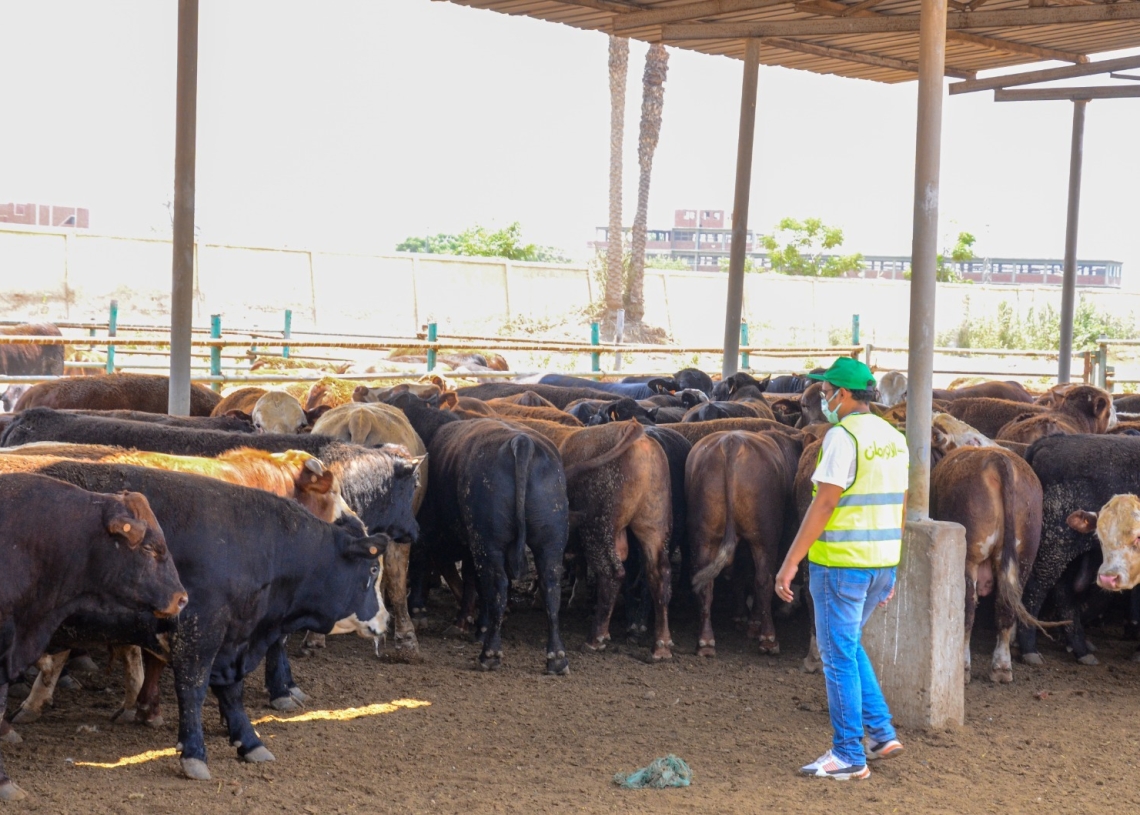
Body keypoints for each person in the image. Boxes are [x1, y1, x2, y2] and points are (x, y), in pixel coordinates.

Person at [774, 357, 908, 781]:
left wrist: (791, 561)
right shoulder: (893, 438)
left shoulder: (842, 436)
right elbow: (899, 503)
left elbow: (825, 502)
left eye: (827, 390)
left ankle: (849, 753)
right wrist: (893, 565)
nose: (823, 397)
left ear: (845, 394)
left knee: (835, 656)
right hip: (880, 563)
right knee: (846, 645)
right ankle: (882, 733)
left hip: (841, 565)